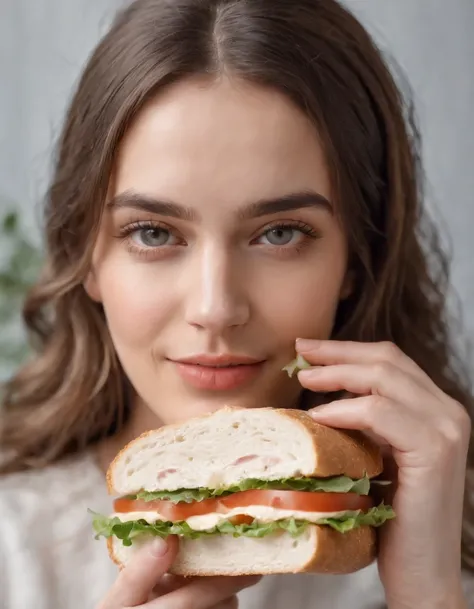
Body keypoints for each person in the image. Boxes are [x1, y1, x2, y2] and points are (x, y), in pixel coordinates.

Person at [0, 0, 472, 607]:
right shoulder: (13, 554)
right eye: (152, 232)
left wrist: (431, 595)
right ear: (87, 256)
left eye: (279, 233)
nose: (216, 308)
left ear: (358, 259)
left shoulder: (445, 546)